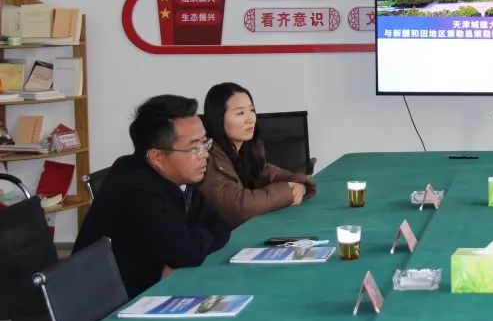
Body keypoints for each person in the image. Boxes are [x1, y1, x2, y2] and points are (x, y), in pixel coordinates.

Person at [73, 95, 230, 298]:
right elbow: (187, 252)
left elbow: (220, 225)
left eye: (204, 143)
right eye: (194, 147)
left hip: (148, 289)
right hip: (109, 304)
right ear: (157, 156)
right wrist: (191, 244)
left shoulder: (177, 175)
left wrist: (192, 241)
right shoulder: (137, 188)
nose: (205, 154)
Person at [198, 82, 315, 228]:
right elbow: (239, 206)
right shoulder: (206, 156)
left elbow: (270, 174)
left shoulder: (248, 149)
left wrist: (302, 185)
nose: (250, 119)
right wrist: (288, 190)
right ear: (218, 119)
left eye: (251, 110)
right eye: (240, 113)